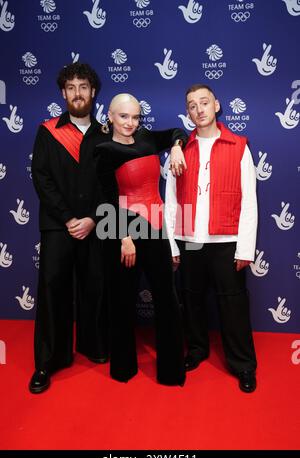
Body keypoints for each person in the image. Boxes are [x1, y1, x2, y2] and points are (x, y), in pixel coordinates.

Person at [165, 83, 258, 392]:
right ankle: (196, 350)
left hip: (226, 240)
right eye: (192, 105)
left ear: (217, 105)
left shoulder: (239, 146)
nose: (199, 109)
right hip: (190, 239)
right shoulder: (181, 149)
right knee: (191, 300)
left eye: (204, 102)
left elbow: (249, 201)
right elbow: (170, 200)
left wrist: (245, 246)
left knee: (233, 305)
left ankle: (243, 364)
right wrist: (171, 242)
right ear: (188, 112)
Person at [94, 93, 187, 386]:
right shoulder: (104, 150)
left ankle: (171, 372)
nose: (131, 123)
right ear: (110, 116)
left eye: (136, 117)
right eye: (124, 117)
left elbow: (177, 132)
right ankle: (123, 369)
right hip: (123, 231)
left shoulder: (146, 138)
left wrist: (176, 147)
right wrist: (123, 237)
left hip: (155, 227)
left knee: (167, 300)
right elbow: (105, 199)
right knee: (121, 302)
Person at [29, 63, 110, 394]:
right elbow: (42, 178)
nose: (78, 93)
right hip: (57, 227)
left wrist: (92, 217)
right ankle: (48, 361)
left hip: (95, 226)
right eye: (71, 87)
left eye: (84, 86)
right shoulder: (47, 131)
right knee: (53, 293)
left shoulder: (106, 135)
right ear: (63, 93)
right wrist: (67, 218)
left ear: (93, 92)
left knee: (96, 288)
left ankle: (95, 346)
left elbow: (110, 182)